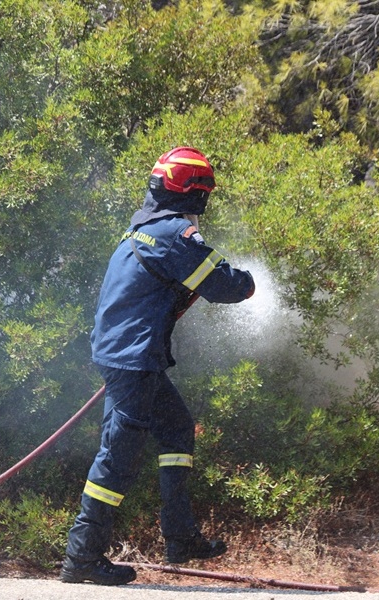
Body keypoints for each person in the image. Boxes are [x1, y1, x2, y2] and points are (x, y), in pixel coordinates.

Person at [60, 147, 256, 586]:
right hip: (132, 360)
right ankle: (81, 559)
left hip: (129, 356)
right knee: (117, 459)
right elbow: (224, 287)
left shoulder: (143, 227)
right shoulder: (172, 234)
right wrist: (248, 284)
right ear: (196, 192)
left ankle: (180, 536)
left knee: (176, 429)